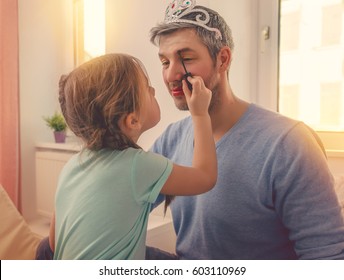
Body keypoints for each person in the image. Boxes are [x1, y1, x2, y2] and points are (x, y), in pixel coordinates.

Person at [145, 0, 344, 259]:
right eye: (164, 62)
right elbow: (123, 207)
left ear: (223, 59)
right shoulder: (171, 139)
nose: (171, 75)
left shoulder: (290, 143)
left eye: (186, 59)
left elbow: (326, 257)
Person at [44, 53, 217, 260]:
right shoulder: (138, 165)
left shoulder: (71, 165)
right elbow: (205, 177)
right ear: (132, 121)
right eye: (146, 87)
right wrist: (199, 114)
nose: (154, 89)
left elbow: (53, 243)